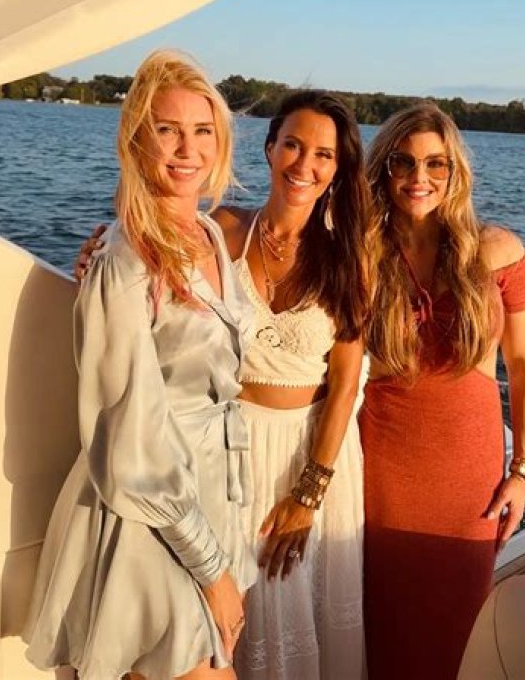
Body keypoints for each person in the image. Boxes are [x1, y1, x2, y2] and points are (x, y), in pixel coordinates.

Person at [76, 89, 370, 680]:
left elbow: (344, 387)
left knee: (292, 615)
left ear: (338, 169)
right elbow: (153, 275)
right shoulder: (222, 231)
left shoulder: (349, 257)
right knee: (226, 618)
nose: (305, 165)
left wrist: (307, 496)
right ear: (269, 148)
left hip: (309, 456)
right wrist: (96, 255)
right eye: (293, 145)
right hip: (225, 453)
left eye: (323, 155)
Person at [23, 50, 258, 680]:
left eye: (202, 130)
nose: (188, 149)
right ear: (136, 140)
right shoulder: (124, 261)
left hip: (208, 498)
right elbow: (129, 434)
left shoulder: (210, 234)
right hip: (149, 516)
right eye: (167, 129)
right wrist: (211, 569)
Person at [359, 102, 525, 680]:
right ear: (383, 168)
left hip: (469, 476)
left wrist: (522, 469)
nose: (419, 177)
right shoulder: (359, 252)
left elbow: (524, 366)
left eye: (435, 163)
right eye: (404, 162)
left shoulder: (499, 252)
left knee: (457, 628)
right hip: (381, 470)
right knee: (381, 624)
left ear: (454, 171)